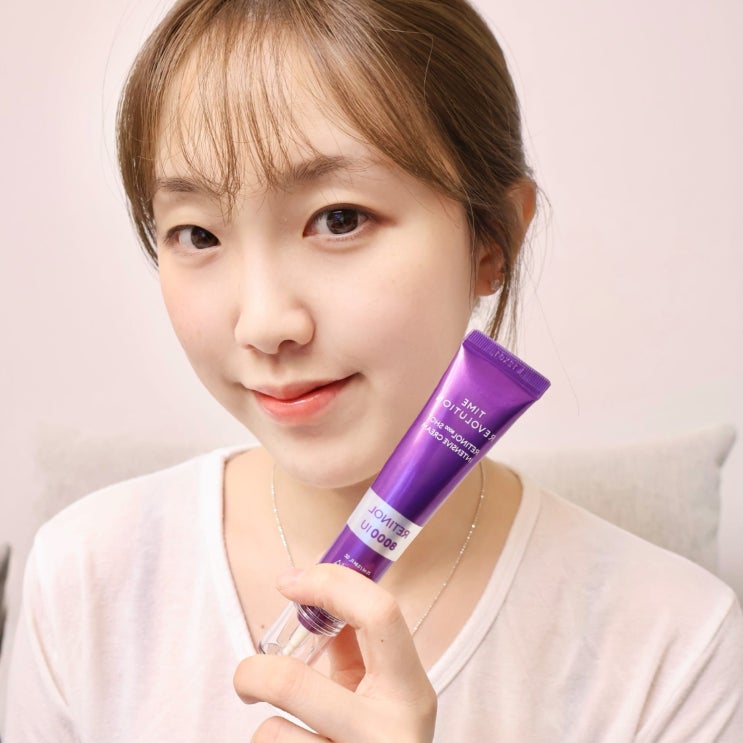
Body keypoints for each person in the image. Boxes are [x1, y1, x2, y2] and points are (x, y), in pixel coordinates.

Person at [4, 0, 743, 740]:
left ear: (492, 242)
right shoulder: (85, 578)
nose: (263, 323)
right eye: (196, 233)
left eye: (339, 218)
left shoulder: (673, 646)